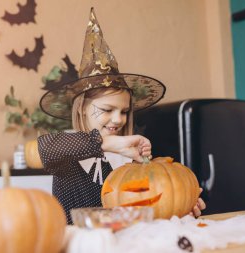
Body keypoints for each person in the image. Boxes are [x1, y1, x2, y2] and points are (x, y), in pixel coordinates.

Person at [37, 7, 205, 224]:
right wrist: (107, 143)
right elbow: (45, 147)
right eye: (107, 110)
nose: (118, 119)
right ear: (82, 109)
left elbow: (147, 210)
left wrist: (180, 208)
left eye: (124, 112)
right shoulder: (65, 152)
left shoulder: (130, 161)